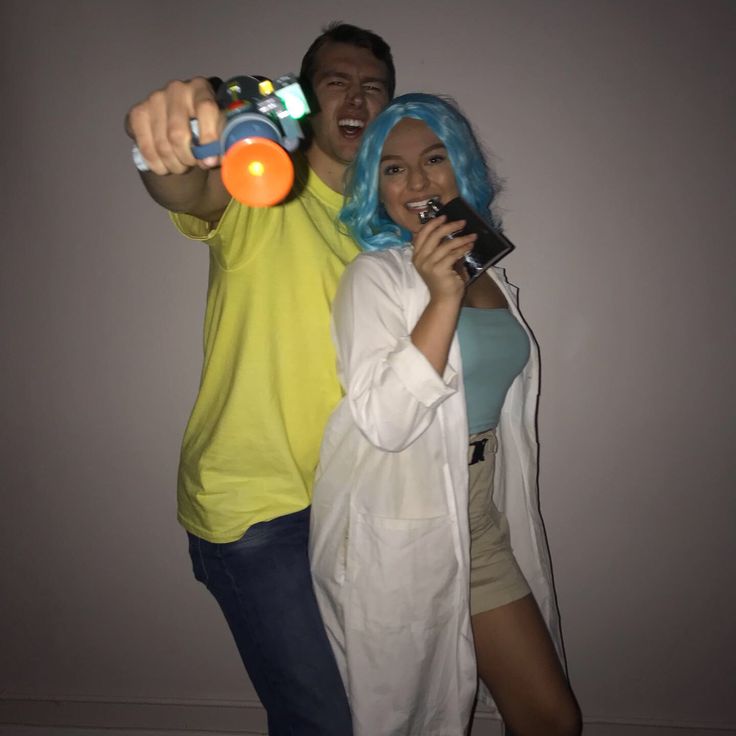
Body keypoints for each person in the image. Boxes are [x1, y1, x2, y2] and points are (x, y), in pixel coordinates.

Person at [124, 23, 395, 736]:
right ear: (307, 98)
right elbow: (183, 188)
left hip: (353, 511)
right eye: (337, 80)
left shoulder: (384, 233)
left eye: (372, 85)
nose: (357, 95)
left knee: (367, 711)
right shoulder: (262, 184)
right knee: (324, 722)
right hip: (256, 511)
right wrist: (170, 140)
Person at [309, 93, 583, 736]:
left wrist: (455, 282)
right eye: (393, 168)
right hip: (404, 516)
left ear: (461, 169)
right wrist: (440, 297)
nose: (416, 181)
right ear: (375, 185)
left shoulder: (490, 277)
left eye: (433, 159)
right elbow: (386, 422)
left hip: (480, 514)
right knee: (412, 718)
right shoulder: (376, 277)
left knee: (550, 718)